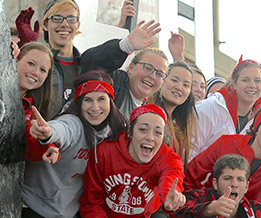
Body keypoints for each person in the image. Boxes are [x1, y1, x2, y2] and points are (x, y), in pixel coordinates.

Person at [16, 0, 162, 118]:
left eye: (71, 19)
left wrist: (127, 44)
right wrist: (25, 48)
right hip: (37, 143)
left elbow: (100, 58)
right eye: (57, 18)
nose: (64, 24)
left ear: (78, 25)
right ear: (46, 25)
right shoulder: (39, 65)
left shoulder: (87, 63)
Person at [23, 70, 128, 217]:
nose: (95, 108)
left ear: (111, 101)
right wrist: (48, 133)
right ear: (79, 103)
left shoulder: (114, 133)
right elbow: (62, 129)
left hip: (69, 212)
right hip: (34, 207)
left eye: (101, 99)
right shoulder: (73, 123)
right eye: (88, 100)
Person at [79, 104, 186, 217]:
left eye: (158, 132)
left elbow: (171, 176)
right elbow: (91, 202)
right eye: (143, 129)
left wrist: (168, 196)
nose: (150, 137)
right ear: (130, 132)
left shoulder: (167, 158)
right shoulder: (104, 151)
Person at [189, 55, 261, 162]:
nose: (252, 85)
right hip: (197, 176)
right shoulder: (210, 107)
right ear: (234, 84)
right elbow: (189, 151)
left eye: (257, 81)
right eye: (245, 80)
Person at [176, 154, 261, 218]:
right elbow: (177, 213)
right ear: (215, 183)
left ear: (247, 186)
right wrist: (209, 210)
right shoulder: (199, 197)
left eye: (240, 180)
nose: (234, 184)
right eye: (228, 178)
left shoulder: (255, 210)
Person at [17, 41, 61, 163]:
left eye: (43, 70)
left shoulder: (33, 110)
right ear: (16, 60)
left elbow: (28, 148)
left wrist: (46, 146)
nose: (36, 72)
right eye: (31, 64)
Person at [148, 60, 197, 167]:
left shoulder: (180, 125)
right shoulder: (146, 112)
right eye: (174, 80)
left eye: (186, 85)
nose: (179, 88)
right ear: (163, 81)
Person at [110, 47, 168, 118]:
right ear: (131, 67)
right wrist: (126, 45)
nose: (153, 76)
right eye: (148, 68)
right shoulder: (114, 82)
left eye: (159, 74)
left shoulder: (148, 114)